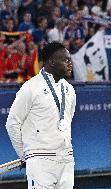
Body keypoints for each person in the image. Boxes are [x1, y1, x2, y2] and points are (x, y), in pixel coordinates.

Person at [5, 41, 76, 189]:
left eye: (70, 59)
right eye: (65, 60)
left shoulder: (69, 90)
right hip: (41, 161)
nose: (70, 63)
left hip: (66, 159)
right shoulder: (30, 88)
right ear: (51, 62)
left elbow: (67, 120)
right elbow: (12, 123)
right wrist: (24, 155)